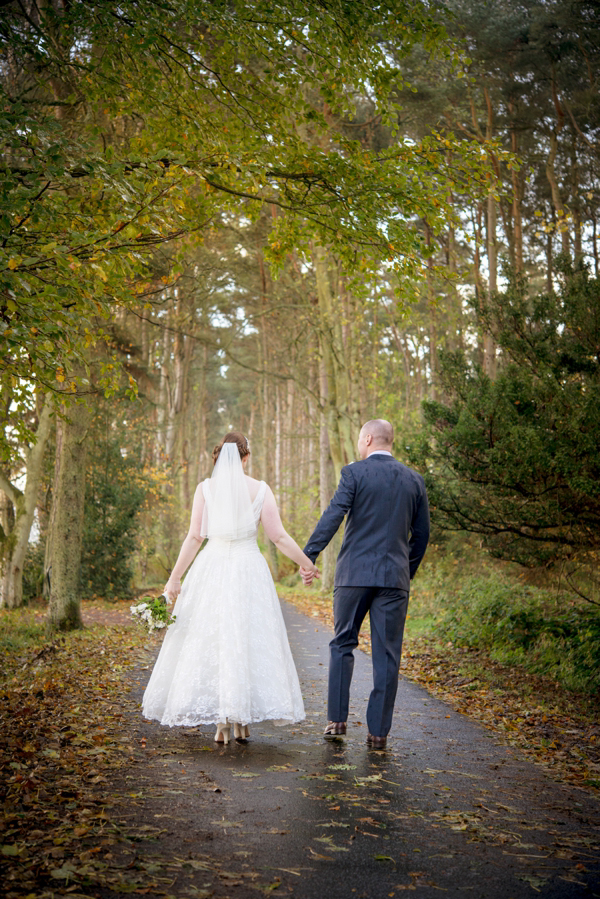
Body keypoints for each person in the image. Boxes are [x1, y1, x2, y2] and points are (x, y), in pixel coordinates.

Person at [142, 432, 319, 745]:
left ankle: (224, 722)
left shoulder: (205, 489)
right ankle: (239, 719)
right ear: (246, 458)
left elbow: (195, 537)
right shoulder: (260, 490)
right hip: (249, 568)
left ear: (217, 458)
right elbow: (279, 537)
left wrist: (175, 578)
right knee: (246, 638)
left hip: (211, 568)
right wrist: (307, 563)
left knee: (213, 637)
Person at [301, 419, 429, 750]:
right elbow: (422, 536)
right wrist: (405, 571)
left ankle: (337, 720)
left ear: (368, 439)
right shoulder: (414, 480)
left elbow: (334, 515)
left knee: (342, 643)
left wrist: (309, 555)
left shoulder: (354, 473)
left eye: (360, 440)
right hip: (394, 579)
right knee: (387, 655)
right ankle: (378, 734)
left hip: (354, 576)